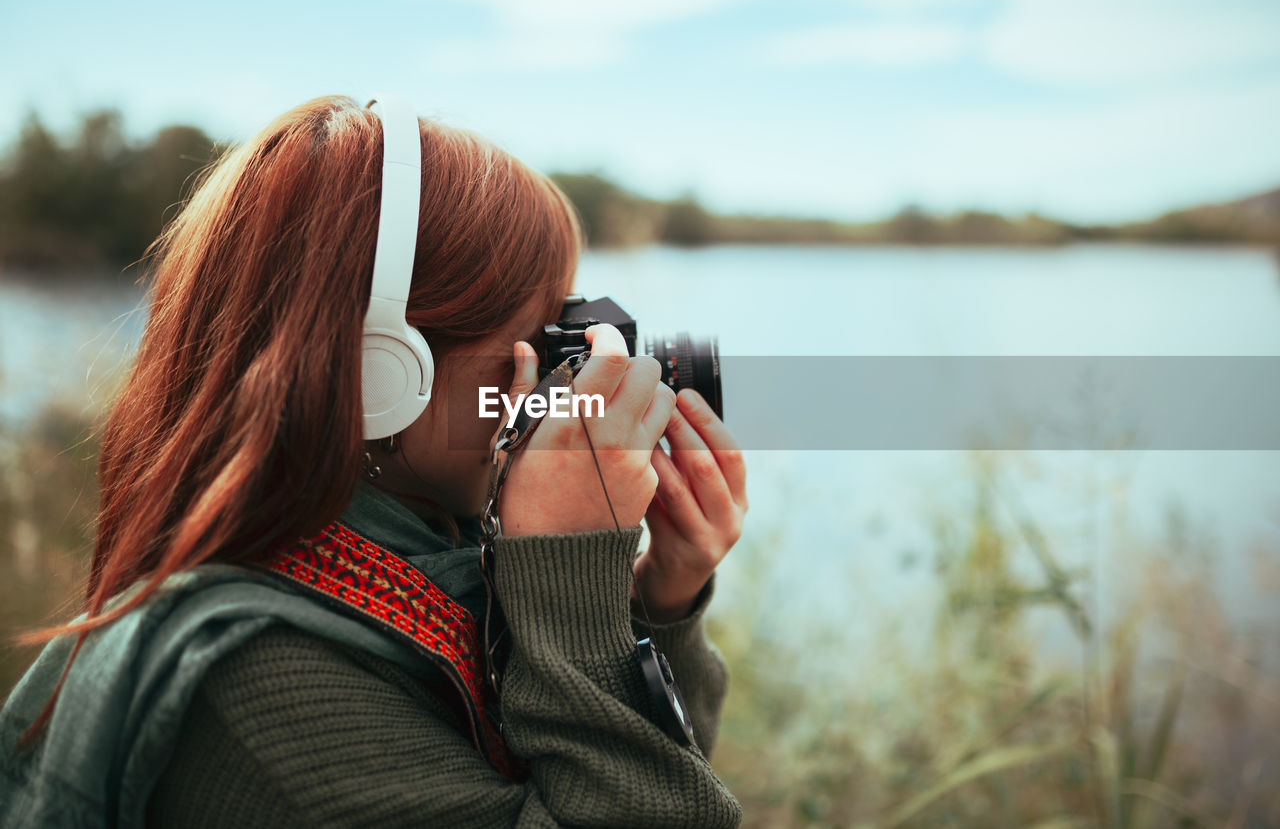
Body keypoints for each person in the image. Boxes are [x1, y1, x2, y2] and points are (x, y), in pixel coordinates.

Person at [0, 95, 747, 827]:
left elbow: (647, 777)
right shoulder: (267, 691)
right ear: (382, 376)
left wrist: (655, 598)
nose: (573, 384)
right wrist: (565, 573)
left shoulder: (415, 561)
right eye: (545, 345)